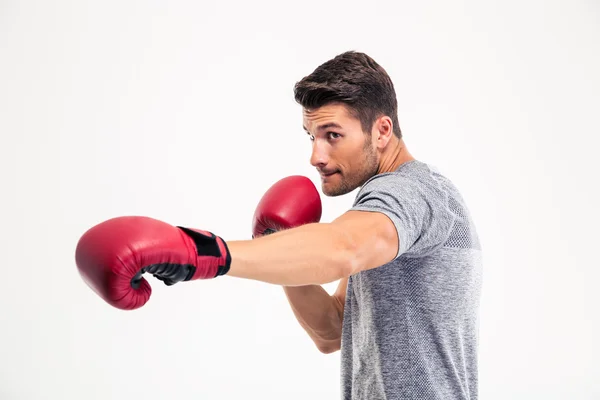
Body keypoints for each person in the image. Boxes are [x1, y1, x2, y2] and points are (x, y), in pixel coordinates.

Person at [75, 51, 482, 400]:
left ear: (381, 131)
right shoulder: (383, 214)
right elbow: (330, 329)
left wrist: (201, 252)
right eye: (311, 136)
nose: (316, 156)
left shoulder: (412, 194)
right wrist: (281, 243)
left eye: (332, 135)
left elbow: (343, 248)